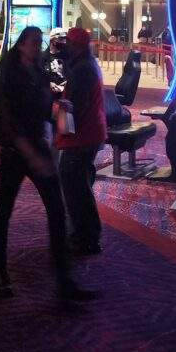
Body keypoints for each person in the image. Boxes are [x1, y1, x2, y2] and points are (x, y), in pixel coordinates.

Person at [0, 26, 97, 302]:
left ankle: (64, 281)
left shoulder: (38, 71)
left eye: (40, 42)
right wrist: (31, 153)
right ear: (22, 44)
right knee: (4, 211)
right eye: (35, 42)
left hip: (37, 147)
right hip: (15, 153)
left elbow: (44, 107)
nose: (39, 47)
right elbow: (6, 119)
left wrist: (53, 131)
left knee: (57, 211)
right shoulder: (7, 73)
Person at [56, 26, 108, 256]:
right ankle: (87, 234)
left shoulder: (83, 69)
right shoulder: (86, 64)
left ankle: (85, 236)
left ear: (76, 45)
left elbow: (75, 106)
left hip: (82, 135)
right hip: (90, 132)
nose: (63, 46)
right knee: (80, 185)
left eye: (67, 42)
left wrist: (55, 109)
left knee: (75, 187)